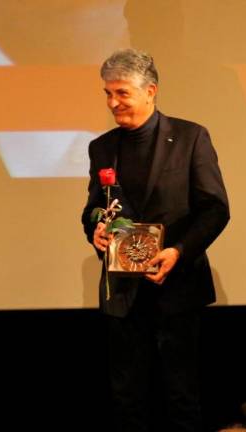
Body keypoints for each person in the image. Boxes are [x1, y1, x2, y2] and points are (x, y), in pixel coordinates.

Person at [81, 48, 230, 432]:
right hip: (123, 294)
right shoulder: (101, 147)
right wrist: (96, 232)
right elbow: (93, 209)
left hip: (177, 288)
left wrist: (178, 252)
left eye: (122, 93)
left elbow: (215, 209)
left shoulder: (191, 138)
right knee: (127, 399)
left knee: (181, 397)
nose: (113, 103)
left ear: (150, 91)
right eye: (108, 93)